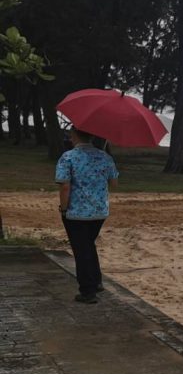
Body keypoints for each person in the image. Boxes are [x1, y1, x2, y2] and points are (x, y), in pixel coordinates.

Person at [55, 127, 118, 303]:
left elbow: (64, 186)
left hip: (77, 213)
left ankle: (87, 291)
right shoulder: (105, 157)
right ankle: (96, 281)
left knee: (81, 250)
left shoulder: (68, 157)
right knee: (88, 245)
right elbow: (114, 183)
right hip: (99, 212)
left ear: (74, 135)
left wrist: (64, 209)